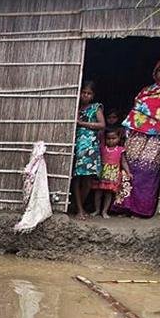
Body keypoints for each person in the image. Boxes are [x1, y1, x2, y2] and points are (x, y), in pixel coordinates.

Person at [113, 57, 160, 218]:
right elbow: (136, 109)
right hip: (136, 133)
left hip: (156, 136)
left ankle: (141, 210)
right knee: (128, 168)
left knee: (147, 170)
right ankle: (123, 207)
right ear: (155, 72)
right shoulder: (146, 90)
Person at [72, 81, 105, 220]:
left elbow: (102, 125)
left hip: (90, 146)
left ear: (93, 95)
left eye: (89, 93)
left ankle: (79, 206)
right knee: (77, 177)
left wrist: (82, 123)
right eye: (83, 92)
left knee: (87, 179)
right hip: (77, 145)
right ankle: (79, 209)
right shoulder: (75, 107)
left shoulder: (95, 107)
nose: (85, 95)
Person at [91, 127, 130, 219]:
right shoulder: (102, 148)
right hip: (102, 173)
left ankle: (104, 211)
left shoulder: (120, 149)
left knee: (109, 193)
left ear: (118, 138)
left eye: (113, 138)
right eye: (108, 139)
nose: (111, 141)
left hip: (113, 174)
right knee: (98, 192)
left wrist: (128, 172)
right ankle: (97, 210)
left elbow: (123, 162)